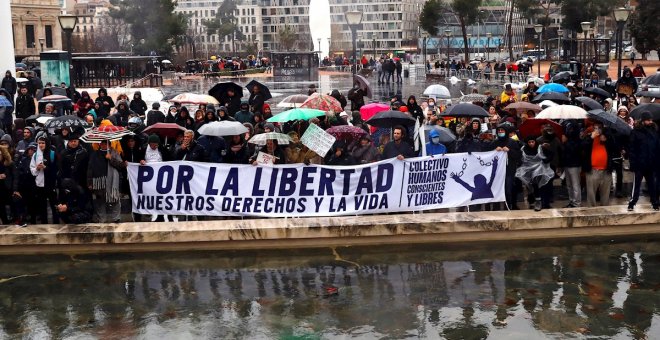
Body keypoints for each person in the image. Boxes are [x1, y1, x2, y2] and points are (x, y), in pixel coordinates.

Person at [627, 111, 659, 211]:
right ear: (643, 120)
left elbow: (657, 147)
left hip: (651, 163)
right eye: (648, 120)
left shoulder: (654, 131)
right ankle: (632, 203)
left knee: (652, 185)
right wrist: (633, 163)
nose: (650, 122)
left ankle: (655, 203)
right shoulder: (636, 132)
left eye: (651, 120)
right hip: (639, 163)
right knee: (636, 185)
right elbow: (632, 149)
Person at [87, 139, 124, 223]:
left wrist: (111, 158)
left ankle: (116, 218)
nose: (104, 145)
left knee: (115, 200)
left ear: (109, 145)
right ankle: (102, 219)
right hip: (99, 183)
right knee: (100, 202)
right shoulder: (94, 154)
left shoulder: (114, 153)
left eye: (106, 144)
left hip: (113, 182)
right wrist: (89, 182)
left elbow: (121, 166)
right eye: (102, 144)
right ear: (100, 144)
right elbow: (90, 169)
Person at [581, 121, 617, 207]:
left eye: (599, 127)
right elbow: (582, 147)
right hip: (592, 170)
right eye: (595, 127)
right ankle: (591, 211)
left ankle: (604, 210)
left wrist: (607, 138)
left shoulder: (607, 136)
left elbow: (615, 148)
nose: (597, 129)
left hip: (606, 170)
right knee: (591, 194)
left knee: (605, 194)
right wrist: (591, 138)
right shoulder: (589, 136)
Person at [515, 136, 555, 211]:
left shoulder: (540, 148)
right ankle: (531, 200)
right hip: (527, 169)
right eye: (529, 142)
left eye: (532, 142)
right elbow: (519, 158)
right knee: (528, 186)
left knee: (536, 183)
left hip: (538, 169)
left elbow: (551, 154)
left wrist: (546, 160)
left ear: (535, 142)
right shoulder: (523, 149)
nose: (531, 144)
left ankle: (538, 201)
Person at [30, 133, 59, 224]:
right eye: (39, 143)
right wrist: (37, 169)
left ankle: (56, 223)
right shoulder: (35, 155)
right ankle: (44, 224)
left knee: (54, 205)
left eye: (43, 143)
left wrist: (46, 168)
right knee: (42, 206)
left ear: (46, 144)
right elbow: (32, 168)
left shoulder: (52, 154)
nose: (41, 145)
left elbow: (57, 168)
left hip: (50, 184)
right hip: (40, 185)